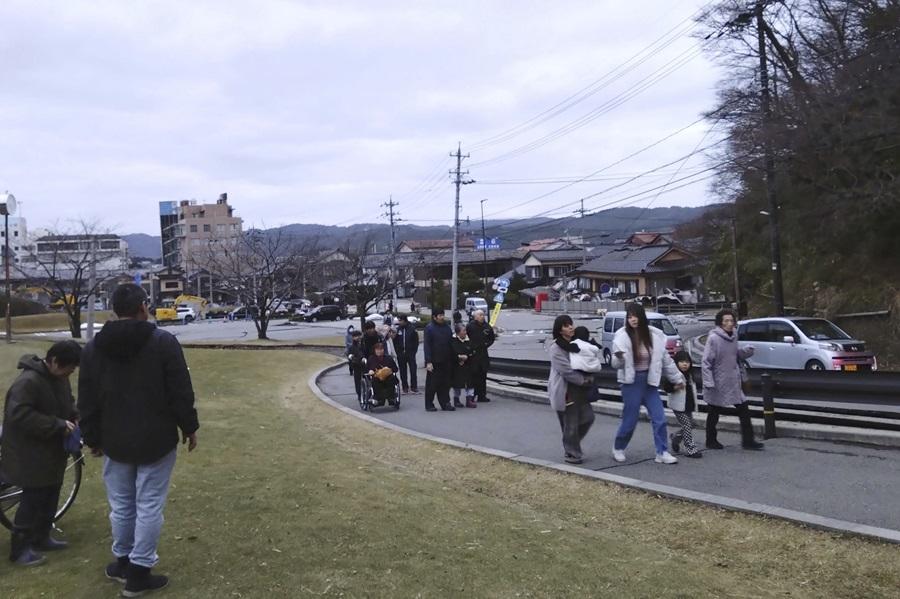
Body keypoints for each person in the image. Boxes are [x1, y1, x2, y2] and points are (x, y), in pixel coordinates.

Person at [78, 283, 199, 596]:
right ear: (143, 307)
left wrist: (91, 436)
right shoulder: (163, 342)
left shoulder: (93, 348)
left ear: (115, 309)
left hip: (113, 438)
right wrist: (189, 427)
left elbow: (87, 398)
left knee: (121, 504)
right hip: (157, 437)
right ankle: (139, 572)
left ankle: (123, 562)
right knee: (148, 505)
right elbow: (180, 390)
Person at [1, 341, 82, 567]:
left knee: (51, 492)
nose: (70, 373)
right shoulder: (28, 382)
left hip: (52, 450)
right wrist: (57, 425)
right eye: (69, 368)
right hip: (29, 452)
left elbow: (67, 402)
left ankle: (41, 537)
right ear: (54, 361)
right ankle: (19, 550)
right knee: (33, 499)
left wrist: (74, 415)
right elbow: (19, 414)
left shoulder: (59, 378)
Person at [610, 303, 683, 465]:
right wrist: (619, 357)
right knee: (630, 420)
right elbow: (615, 364)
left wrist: (678, 379)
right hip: (631, 383)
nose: (633, 320)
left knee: (659, 418)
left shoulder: (654, 336)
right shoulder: (621, 336)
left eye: (635, 316)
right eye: (629, 317)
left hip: (649, 382)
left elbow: (666, 361)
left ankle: (662, 452)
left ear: (642, 317)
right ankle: (618, 447)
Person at [702, 308, 764, 450]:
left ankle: (748, 441)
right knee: (714, 411)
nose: (730, 323)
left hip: (734, 380)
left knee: (744, 409)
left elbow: (734, 355)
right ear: (720, 323)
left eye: (731, 320)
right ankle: (711, 440)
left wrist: (746, 352)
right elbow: (706, 361)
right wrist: (708, 381)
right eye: (726, 321)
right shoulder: (714, 338)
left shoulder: (734, 335)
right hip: (718, 381)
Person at [548, 315, 595, 464]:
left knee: (588, 417)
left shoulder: (576, 344)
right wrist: (583, 380)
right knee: (571, 423)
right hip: (565, 390)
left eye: (571, 324)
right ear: (559, 330)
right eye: (566, 325)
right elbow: (566, 371)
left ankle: (570, 442)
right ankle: (572, 453)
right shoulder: (556, 348)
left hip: (579, 389)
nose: (570, 327)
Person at [666, 350, 702, 458]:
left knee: (691, 425)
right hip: (678, 406)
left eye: (687, 362)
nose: (685, 364)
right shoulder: (674, 375)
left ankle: (675, 437)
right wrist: (675, 387)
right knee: (687, 425)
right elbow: (667, 387)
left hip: (688, 405)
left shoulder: (690, 375)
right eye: (682, 362)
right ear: (676, 362)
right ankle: (691, 449)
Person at [423, 308, 453, 411]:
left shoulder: (447, 327)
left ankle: (445, 403)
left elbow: (451, 343)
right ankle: (429, 404)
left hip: (446, 360)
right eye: (440, 315)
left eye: (442, 315)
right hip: (434, 361)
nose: (442, 317)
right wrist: (428, 361)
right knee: (432, 384)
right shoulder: (429, 328)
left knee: (445, 383)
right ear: (434, 317)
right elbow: (427, 346)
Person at [466, 309, 496, 403]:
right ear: (475, 317)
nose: (482, 316)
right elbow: (465, 338)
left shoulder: (487, 326)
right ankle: (472, 395)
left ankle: (482, 395)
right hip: (473, 354)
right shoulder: (470, 326)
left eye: (483, 315)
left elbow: (492, 338)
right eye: (480, 315)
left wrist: (487, 344)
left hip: (483, 353)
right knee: (473, 375)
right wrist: (469, 348)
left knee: (483, 375)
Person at [450, 323, 477, 408]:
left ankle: (469, 400)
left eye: (465, 330)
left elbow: (473, 351)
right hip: (456, 366)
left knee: (470, 383)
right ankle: (456, 399)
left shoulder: (469, 340)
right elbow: (450, 352)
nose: (465, 332)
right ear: (458, 333)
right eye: (463, 330)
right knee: (457, 384)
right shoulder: (452, 341)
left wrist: (467, 357)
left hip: (468, 365)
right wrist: (459, 358)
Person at [393, 314, 420, 393]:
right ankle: (405, 387)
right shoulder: (398, 329)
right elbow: (395, 341)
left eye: (400, 320)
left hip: (410, 353)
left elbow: (416, 341)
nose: (399, 322)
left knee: (413, 370)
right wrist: (398, 351)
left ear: (405, 320)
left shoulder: (412, 329)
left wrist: (414, 351)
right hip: (401, 353)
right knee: (402, 371)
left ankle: (414, 386)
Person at [346, 330, 365, 402]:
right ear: (353, 337)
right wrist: (354, 360)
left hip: (365, 365)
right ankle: (359, 394)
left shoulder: (363, 345)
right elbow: (350, 356)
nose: (358, 337)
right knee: (357, 381)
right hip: (356, 366)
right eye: (356, 336)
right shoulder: (352, 347)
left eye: (359, 336)